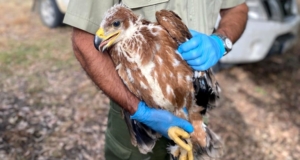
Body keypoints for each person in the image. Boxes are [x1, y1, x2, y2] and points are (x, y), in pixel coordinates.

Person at [63, 1, 248, 159]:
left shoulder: (166, 21)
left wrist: (220, 42)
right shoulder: (119, 43)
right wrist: (139, 110)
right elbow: (84, 41)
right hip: (134, 108)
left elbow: (237, 8)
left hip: (193, 102)